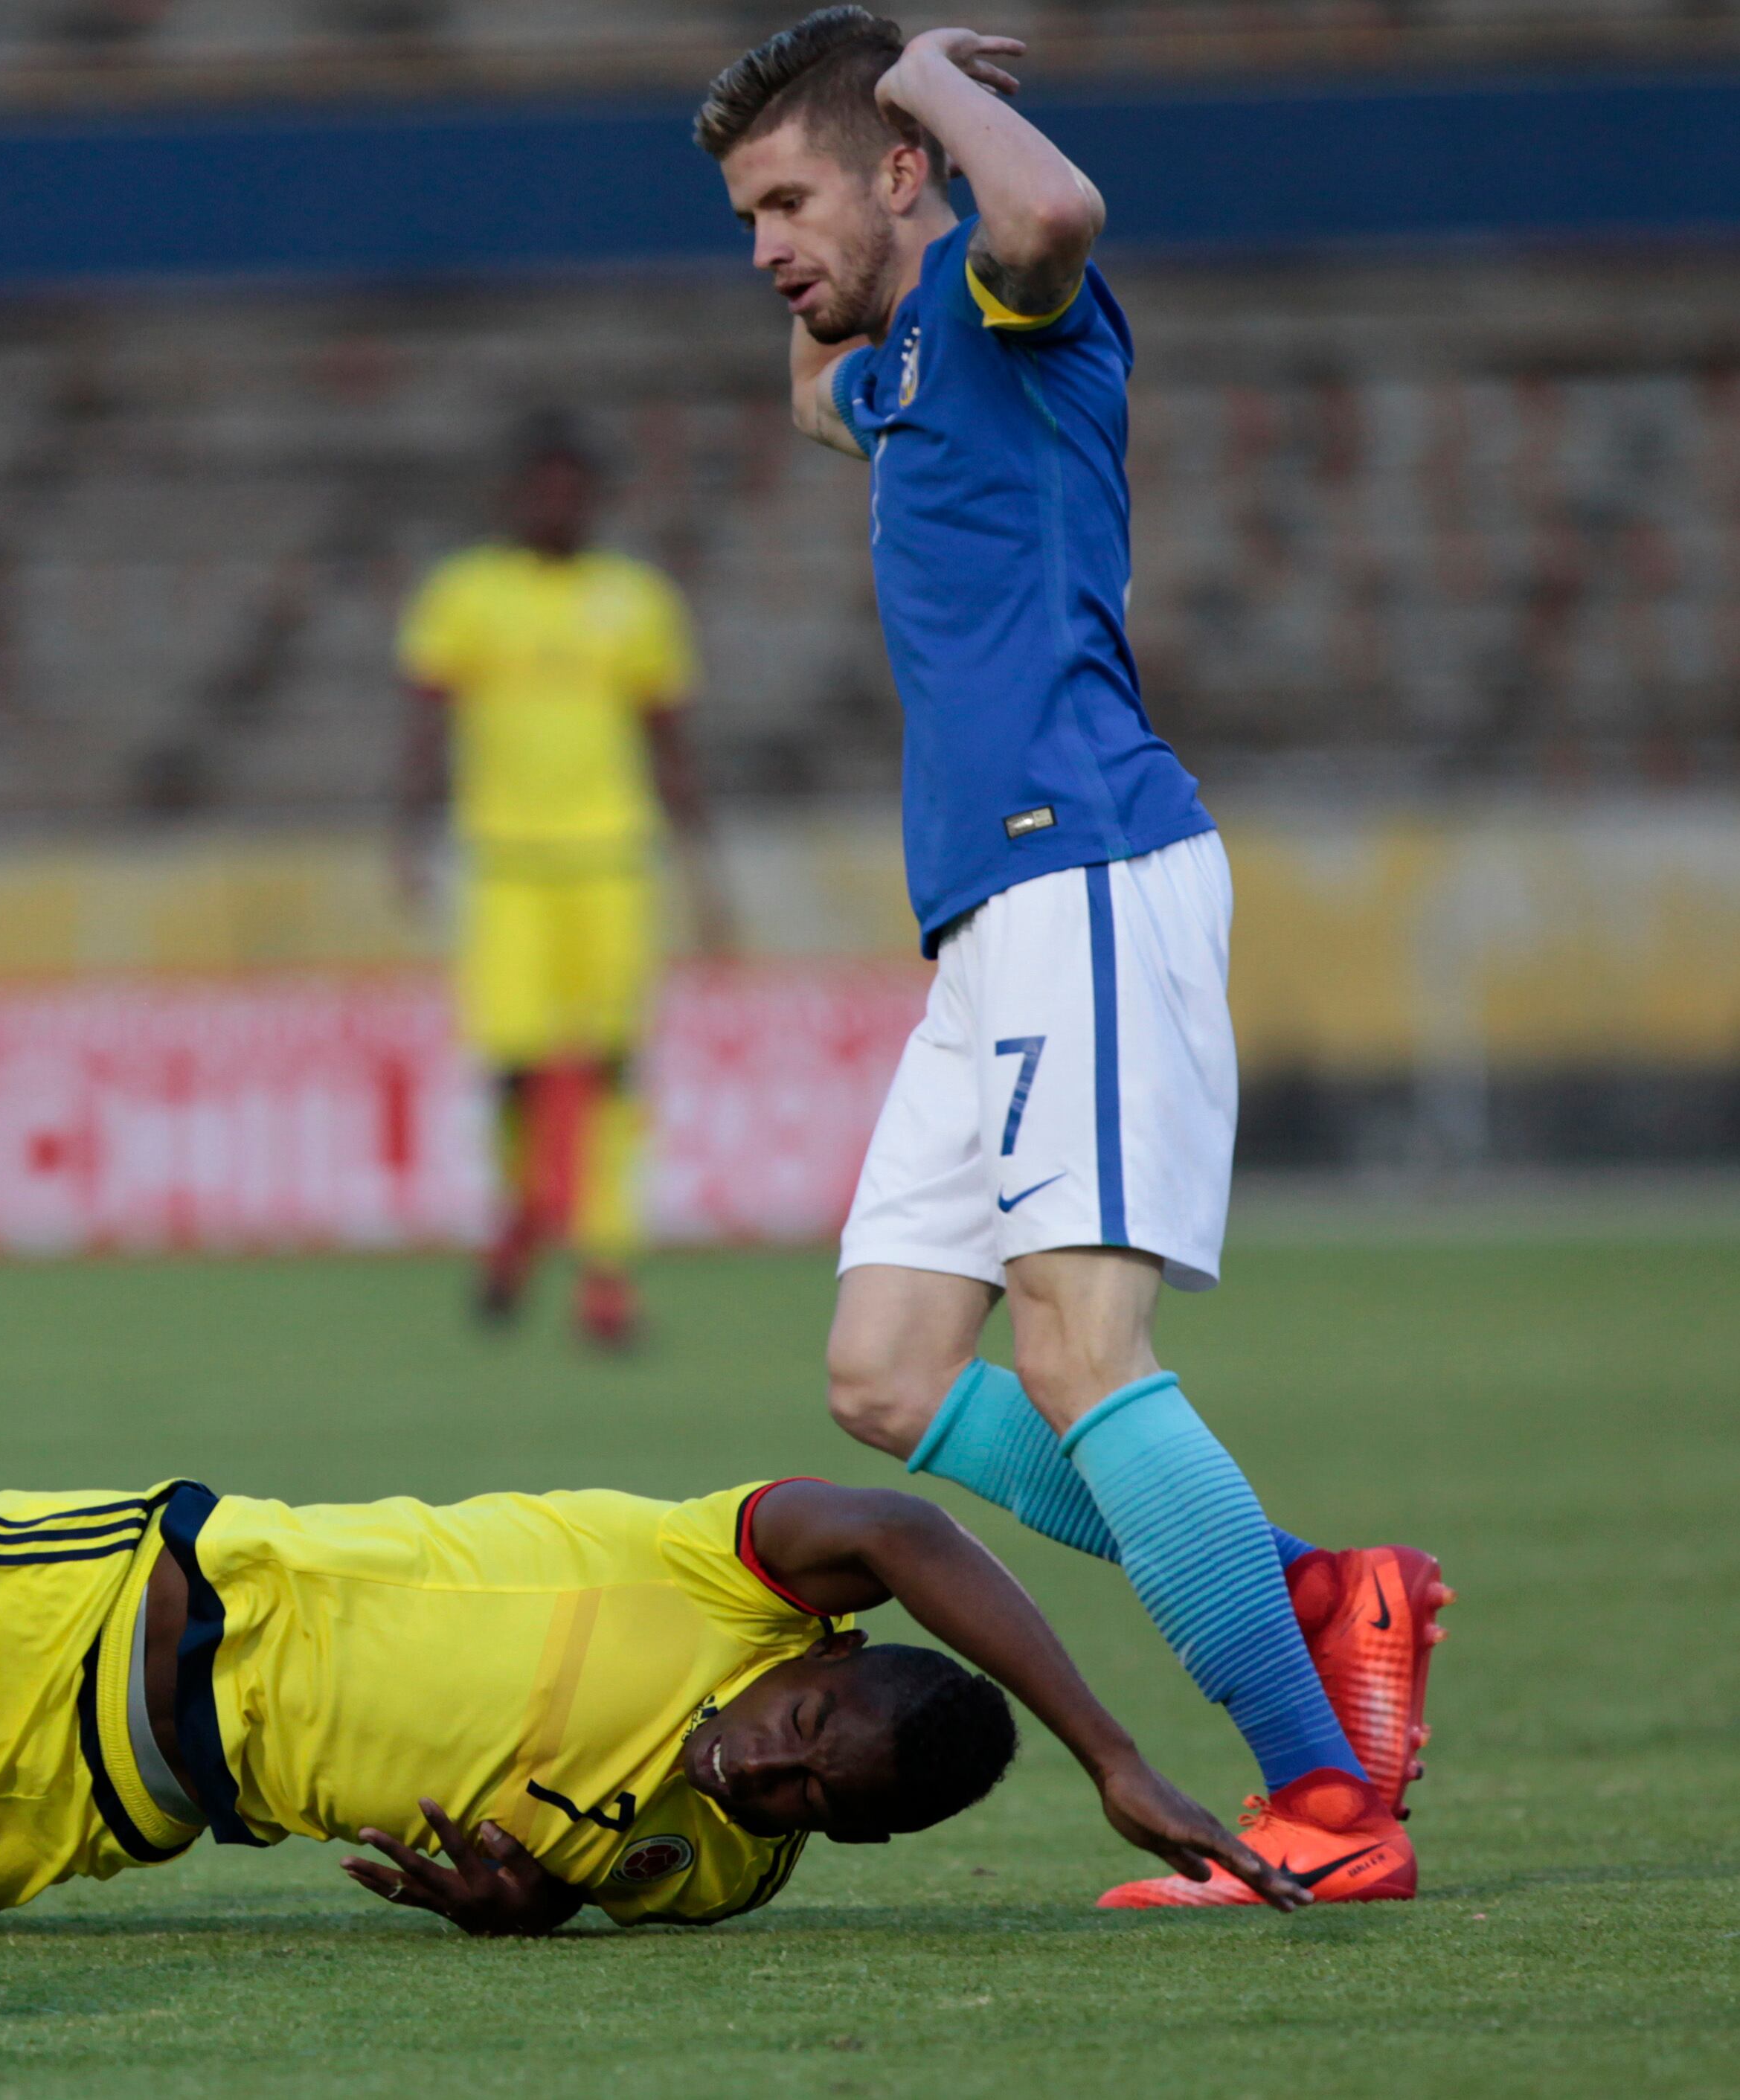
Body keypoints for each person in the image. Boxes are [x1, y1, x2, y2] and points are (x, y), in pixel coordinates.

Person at [700, 10, 1446, 1906]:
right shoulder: (903, 358)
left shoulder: (1004, 298)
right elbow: (814, 393)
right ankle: (1299, 1589)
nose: (762, 243)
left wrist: (924, 86)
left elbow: (1056, 201)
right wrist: (818, 288)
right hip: (983, 922)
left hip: (1083, 869)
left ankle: (1323, 1804)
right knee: (880, 1373)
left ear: (893, 174)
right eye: (739, 216)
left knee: (1070, 1349)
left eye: (786, 198)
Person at [0, 1232, 1308, 1935]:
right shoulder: (738, 1579)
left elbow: (559, 1897)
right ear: (819, 1655)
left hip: (130, 1794)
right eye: (805, 1729)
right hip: (90, 1595)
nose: (774, 1776)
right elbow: (908, 1523)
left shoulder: (707, 1870)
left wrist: (503, 1917)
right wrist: (1106, 1755)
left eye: (824, 1807)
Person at [397, 411, 732, 1349]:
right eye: (542, 489)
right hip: (505, 864)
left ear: (597, 500)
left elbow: (670, 742)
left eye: (573, 490)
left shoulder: (636, 601)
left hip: (611, 863)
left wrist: (706, 871)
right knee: (515, 1067)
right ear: (514, 497)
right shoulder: (465, 594)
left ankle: (603, 1273)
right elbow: (425, 721)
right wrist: (409, 833)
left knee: (611, 1068)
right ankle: (523, 1215)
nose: (558, 505)